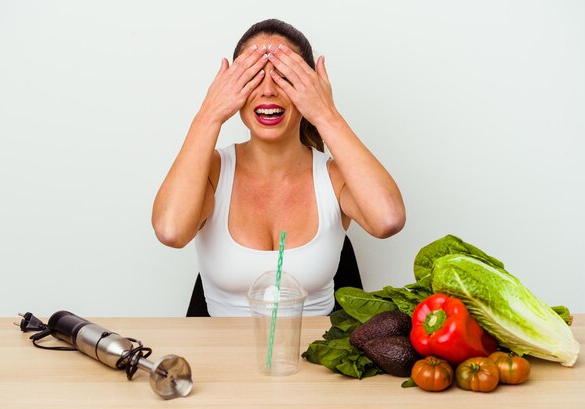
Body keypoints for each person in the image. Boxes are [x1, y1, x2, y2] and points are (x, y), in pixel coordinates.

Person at [152, 19, 405, 316]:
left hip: (312, 360)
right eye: (254, 76)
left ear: (309, 87)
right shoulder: (213, 171)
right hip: (219, 359)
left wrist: (326, 114)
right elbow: (170, 231)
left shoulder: (334, 177)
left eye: (285, 76)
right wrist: (208, 115)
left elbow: (388, 219)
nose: (268, 90)